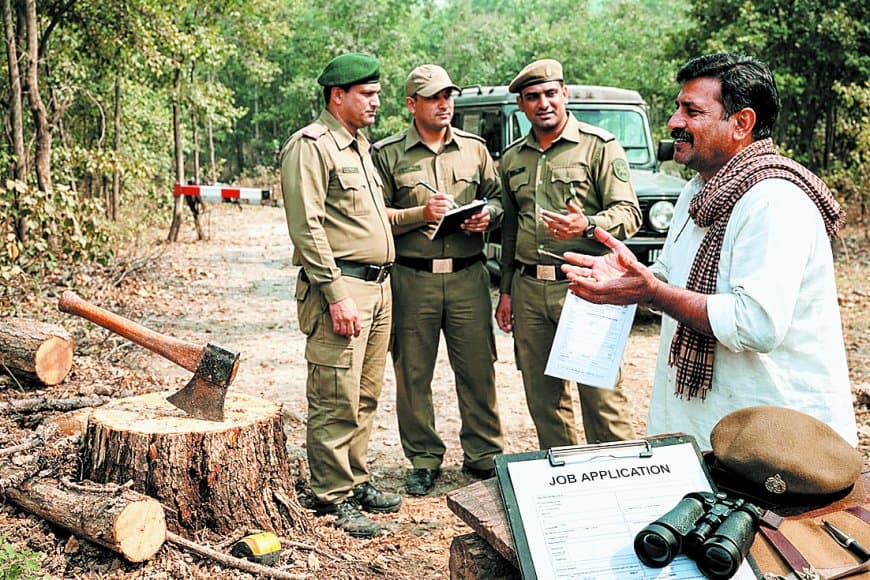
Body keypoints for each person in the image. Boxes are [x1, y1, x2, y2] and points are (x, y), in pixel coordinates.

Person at [561, 53, 859, 450]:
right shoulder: (696, 191)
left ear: (742, 123)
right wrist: (631, 277)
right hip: (710, 430)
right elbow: (670, 276)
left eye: (692, 111)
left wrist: (652, 292)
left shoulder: (773, 201)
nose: (673, 123)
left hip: (776, 442)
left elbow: (755, 323)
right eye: (676, 107)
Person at [279, 52, 401, 538]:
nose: (376, 102)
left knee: (365, 394)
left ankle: (354, 477)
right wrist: (334, 293)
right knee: (335, 396)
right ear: (338, 96)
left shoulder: (358, 146)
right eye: (367, 94)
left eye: (376, 93)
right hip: (343, 287)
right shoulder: (311, 146)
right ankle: (331, 496)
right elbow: (306, 227)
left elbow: (365, 219)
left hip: (376, 286)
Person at [494, 59, 642, 450]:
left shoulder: (599, 147)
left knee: (601, 396)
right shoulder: (512, 159)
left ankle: (620, 475)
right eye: (532, 97)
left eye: (549, 94)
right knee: (543, 398)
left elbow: (630, 213)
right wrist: (507, 291)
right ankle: (566, 476)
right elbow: (511, 229)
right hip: (528, 290)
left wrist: (587, 227)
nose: (542, 103)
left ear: (564, 94)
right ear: (522, 106)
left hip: (585, 288)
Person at [373, 65, 505, 496]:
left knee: (478, 369)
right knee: (413, 373)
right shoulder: (388, 154)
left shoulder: (474, 149)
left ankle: (484, 454)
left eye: (448, 96)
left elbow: (500, 198)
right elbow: (375, 220)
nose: (444, 104)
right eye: (433, 98)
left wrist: (489, 216)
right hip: (413, 278)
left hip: (469, 276)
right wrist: (419, 214)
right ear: (412, 104)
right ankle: (424, 458)